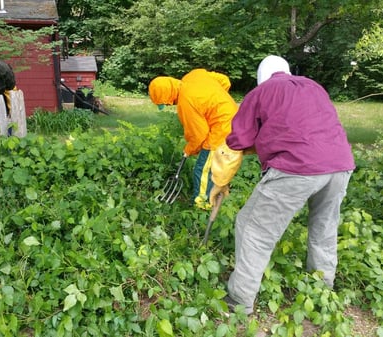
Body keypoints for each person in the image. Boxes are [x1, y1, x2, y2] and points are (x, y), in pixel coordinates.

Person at [209, 55, 356, 315]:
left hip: (296, 166)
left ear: (261, 77)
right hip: (340, 164)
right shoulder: (313, 86)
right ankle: (322, 288)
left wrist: (220, 179)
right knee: (324, 225)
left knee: (254, 228)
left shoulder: (260, 92)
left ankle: (239, 300)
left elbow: (238, 140)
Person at [148, 69, 239, 209]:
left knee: (202, 169)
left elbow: (198, 135)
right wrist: (215, 102)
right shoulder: (194, 75)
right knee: (215, 165)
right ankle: (219, 197)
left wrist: (189, 150)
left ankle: (202, 206)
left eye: (166, 103)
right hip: (235, 118)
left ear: (168, 96)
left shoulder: (185, 101)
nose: (169, 105)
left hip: (222, 128)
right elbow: (224, 81)